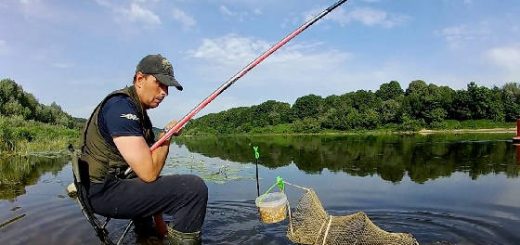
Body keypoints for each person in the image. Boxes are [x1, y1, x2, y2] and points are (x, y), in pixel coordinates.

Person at [79, 54, 208, 244]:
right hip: (101, 191)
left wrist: (161, 227)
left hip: (113, 184)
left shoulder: (140, 115)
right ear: (140, 79)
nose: (165, 92)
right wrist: (167, 135)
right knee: (193, 189)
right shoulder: (120, 108)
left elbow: (148, 178)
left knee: (156, 225)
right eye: (160, 84)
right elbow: (149, 173)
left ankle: (148, 236)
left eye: (167, 87)